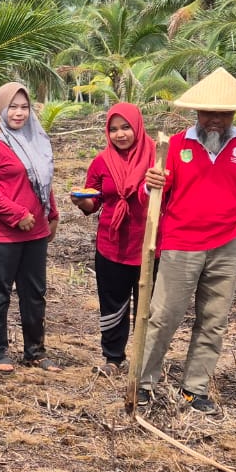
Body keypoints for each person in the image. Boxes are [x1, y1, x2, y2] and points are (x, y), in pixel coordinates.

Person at [138, 68, 236, 414]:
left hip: (229, 244)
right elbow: (151, 198)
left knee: (213, 320)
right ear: (195, 113)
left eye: (223, 113)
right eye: (207, 112)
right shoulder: (175, 146)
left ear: (234, 114)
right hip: (181, 242)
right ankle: (143, 384)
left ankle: (193, 390)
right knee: (164, 316)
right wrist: (149, 183)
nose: (214, 119)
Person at [0, 82, 61, 374]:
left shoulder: (36, 138)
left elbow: (43, 180)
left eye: (24, 107)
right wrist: (16, 213)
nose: (19, 113)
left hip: (36, 231)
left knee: (35, 292)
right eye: (12, 106)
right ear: (0, 108)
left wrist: (52, 212)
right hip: (3, 233)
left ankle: (35, 351)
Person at [70, 103, 154, 377]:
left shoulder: (157, 158)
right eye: (114, 129)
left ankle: (146, 359)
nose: (120, 135)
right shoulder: (101, 161)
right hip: (112, 244)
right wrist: (82, 202)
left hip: (150, 245)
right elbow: (94, 201)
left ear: (137, 126)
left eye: (126, 127)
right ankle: (113, 357)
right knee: (113, 304)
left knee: (149, 307)